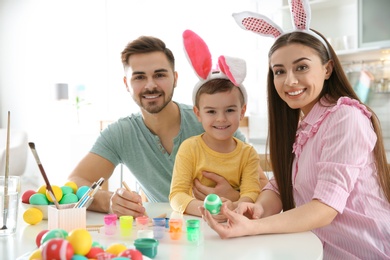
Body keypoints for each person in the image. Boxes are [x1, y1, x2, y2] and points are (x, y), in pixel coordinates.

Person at [200, 2, 390, 259]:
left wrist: (254, 228)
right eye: (279, 71)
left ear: (327, 68)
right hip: (318, 250)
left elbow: (325, 208)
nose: (289, 80)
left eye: (301, 67)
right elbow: (281, 187)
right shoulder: (303, 126)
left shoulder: (346, 117)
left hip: (365, 251)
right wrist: (255, 209)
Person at [67, 35, 268, 217]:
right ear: (126, 84)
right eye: (139, 77)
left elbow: (264, 191)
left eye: (160, 75)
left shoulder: (212, 120)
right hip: (171, 233)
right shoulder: (120, 133)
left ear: (175, 78)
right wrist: (109, 201)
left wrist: (234, 196)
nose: (150, 85)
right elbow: (75, 180)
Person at [169, 30, 262, 220]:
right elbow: (177, 196)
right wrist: (207, 209)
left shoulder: (248, 154)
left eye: (229, 110)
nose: (221, 119)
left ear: (242, 111)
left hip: (236, 224)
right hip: (197, 226)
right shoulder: (189, 148)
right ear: (198, 114)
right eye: (211, 111)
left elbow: (251, 192)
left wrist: (233, 206)